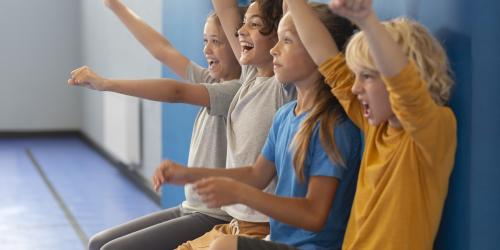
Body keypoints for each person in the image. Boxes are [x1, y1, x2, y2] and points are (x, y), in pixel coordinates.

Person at [68, 0, 245, 249]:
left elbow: (175, 92)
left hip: (214, 215)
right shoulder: (212, 81)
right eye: (205, 41)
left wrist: (107, 84)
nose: (207, 50)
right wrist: (116, 6)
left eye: (217, 42)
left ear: (240, 48)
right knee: (98, 243)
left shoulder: (237, 91)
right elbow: (161, 49)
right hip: (189, 207)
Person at [292, 0, 457, 248]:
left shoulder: (434, 128)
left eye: (367, 76)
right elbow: (326, 58)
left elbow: (405, 88)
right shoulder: (376, 126)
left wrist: (367, 21)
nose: (356, 88)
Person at [198, 3, 361, 250]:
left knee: (222, 247)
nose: (275, 50)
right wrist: (190, 175)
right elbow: (257, 174)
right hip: (277, 239)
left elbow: (315, 216)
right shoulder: (285, 115)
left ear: (316, 51)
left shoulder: (334, 128)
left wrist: (240, 193)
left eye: (286, 41)